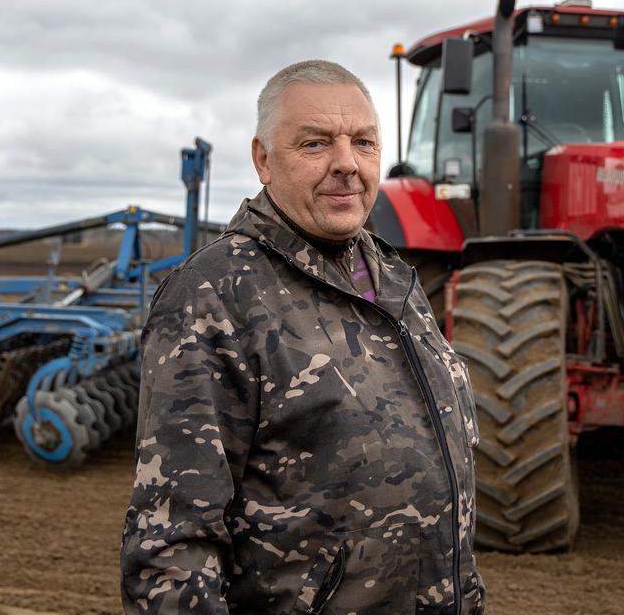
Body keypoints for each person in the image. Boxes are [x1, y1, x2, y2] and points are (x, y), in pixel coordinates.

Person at [121, 60, 485, 614]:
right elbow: (173, 544)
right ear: (263, 160)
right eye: (315, 144)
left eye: (363, 143)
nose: (347, 164)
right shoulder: (217, 295)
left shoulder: (394, 280)